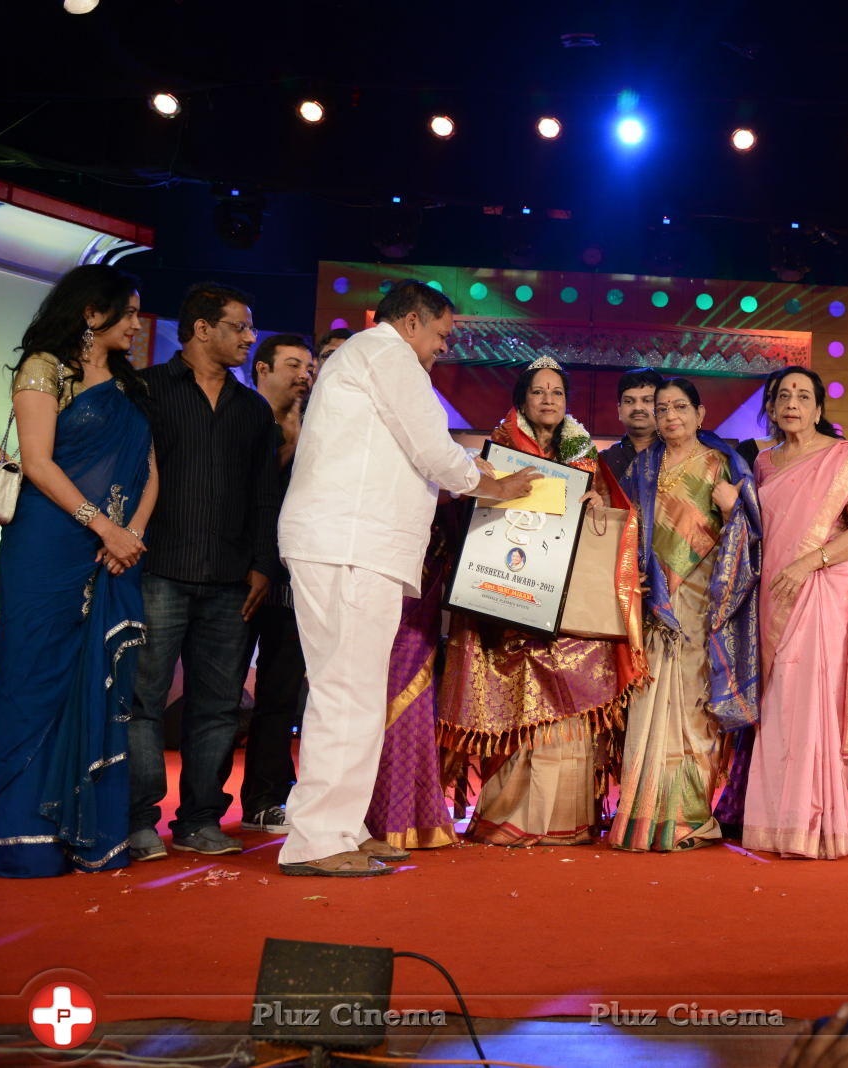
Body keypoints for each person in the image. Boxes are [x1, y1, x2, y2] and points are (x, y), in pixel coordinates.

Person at [276, 280, 534, 876]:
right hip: (349, 542)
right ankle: (317, 839)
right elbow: (432, 449)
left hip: (353, 542)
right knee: (346, 691)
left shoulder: (367, 358)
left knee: (357, 692)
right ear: (412, 321)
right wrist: (493, 484)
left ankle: (340, 825)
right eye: (442, 334)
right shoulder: (388, 355)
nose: (443, 347)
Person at [0, 265, 156, 877]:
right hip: (48, 544)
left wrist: (130, 534)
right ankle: (23, 836)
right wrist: (104, 527)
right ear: (90, 312)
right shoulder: (44, 368)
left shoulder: (129, 385)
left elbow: (150, 470)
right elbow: (39, 463)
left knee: (102, 682)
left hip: (114, 551)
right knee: (35, 678)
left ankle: (91, 834)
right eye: (127, 312)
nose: (136, 323)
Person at [437, 356, 647, 847]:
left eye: (557, 392)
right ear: (522, 401)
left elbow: (612, 517)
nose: (549, 399)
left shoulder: (584, 458)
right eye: (539, 392)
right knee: (514, 708)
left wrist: (597, 502)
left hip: (570, 604)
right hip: (510, 607)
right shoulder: (500, 452)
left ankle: (564, 822)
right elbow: (467, 511)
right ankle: (510, 817)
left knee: (572, 703)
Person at [126, 283, 281, 862]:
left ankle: (199, 820)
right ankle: (140, 820)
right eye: (239, 327)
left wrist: (264, 565)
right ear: (200, 329)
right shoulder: (147, 390)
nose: (248, 338)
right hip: (158, 568)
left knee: (217, 707)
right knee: (142, 702)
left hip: (231, 582)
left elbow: (267, 497)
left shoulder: (252, 410)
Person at [742, 366, 848, 859]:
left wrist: (809, 562)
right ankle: (775, 825)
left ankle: (817, 825)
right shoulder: (764, 464)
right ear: (770, 406)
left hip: (819, 590)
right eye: (783, 395)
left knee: (808, 703)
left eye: (803, 396)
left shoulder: (842, 459)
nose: (792, 404)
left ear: (819, 409)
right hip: (773, 594)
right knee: (780, 707)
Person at [611, 378, 761, 851]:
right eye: (661, 408)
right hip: (650, 601)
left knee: (693, 704)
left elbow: (752, 533)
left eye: (680, 407)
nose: (669, 415)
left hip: (700, 603)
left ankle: (689, 817)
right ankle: (642, 814)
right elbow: (628, 526)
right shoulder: (642, 466)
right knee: (648, 701)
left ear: (700, 414)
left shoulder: (721, 463)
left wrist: (736, 507)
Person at [238, 333, 314, 835]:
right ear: (261, 368)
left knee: (281, 695)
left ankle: (266, 799)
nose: (304, 375)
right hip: (238, 575)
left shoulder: (320, 426)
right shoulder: (240, 417)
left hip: (293, 579)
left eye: (309, 367)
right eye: (293, 365)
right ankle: (200, 806)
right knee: (221, 696)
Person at [363, 514, 460, 850]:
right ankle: (377, 818)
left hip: (424, 561)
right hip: (381, 555)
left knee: (411, 694)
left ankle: (401, 817)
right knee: (379, 692)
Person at [600, 367, 664, 490]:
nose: (637, 407)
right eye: (629, 401)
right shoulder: (604, 462)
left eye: (647, 400)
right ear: (619, 410)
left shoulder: (677, 454)